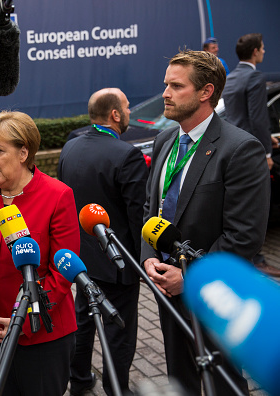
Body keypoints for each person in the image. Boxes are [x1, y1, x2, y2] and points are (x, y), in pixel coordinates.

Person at [141, 49, 269, 395]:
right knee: (180, 375)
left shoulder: (241, 149)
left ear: (206, 91)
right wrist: (149, 257)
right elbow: (151, 207)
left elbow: (245, 236)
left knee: (221, 379)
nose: (165, 93)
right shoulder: (166, 138)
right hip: (165, 287)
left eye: (175, 86)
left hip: (212, 292)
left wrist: (190, 277)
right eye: (166, 84)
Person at [0, 110, 80, 395]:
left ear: (23, 153)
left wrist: (25, 320)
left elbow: (63, 271)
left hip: (41, 334)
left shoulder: (58, 195)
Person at [58, 88, 148, 396]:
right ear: (114, 115)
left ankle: (80, 380)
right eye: (126, 108)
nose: (129, 114)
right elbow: (139, 218)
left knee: (83, 319)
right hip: (117, 263)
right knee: (118, 330)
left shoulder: (70, 147)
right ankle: (116, 389)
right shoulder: (127, 155)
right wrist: (143, 264)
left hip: (81, 259)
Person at [222, 33, 280, 276]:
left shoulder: (232, 77)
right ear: (255, 52)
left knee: (238, 207)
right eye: (263, 48)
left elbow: (238, 117)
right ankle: (256, 260)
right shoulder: (255, 77)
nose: (264, 52)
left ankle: (242, 259)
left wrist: (270, 138)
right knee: (256, 208)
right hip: (252, 151)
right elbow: (257, 118)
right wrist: (266, 151)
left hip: (233, 147)